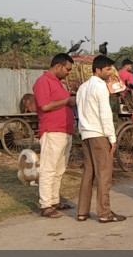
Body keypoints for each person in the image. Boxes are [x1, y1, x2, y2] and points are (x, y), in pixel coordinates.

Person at [76, 55, 126, 223]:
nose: (110, 72)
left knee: (88, 173)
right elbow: (105, 115)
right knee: (104, 174)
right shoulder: (101, 87)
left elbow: (80, 112)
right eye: (107, 69)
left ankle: (82, 211)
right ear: (98, 70)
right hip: (99, 134)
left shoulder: (82, 87)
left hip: (86, 134)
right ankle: (105, 213)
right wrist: (112, 138)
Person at [32, 53, 76, 218]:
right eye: (67, 69)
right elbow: (44, 106)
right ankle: (45, 205)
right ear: (58, 66)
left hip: (64, 130)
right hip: (52, 130)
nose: (68, 72)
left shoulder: (58, 83)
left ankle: (54, 200)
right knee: (48, 169)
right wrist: (66, 101)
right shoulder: (43, 81)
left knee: (59, 169)